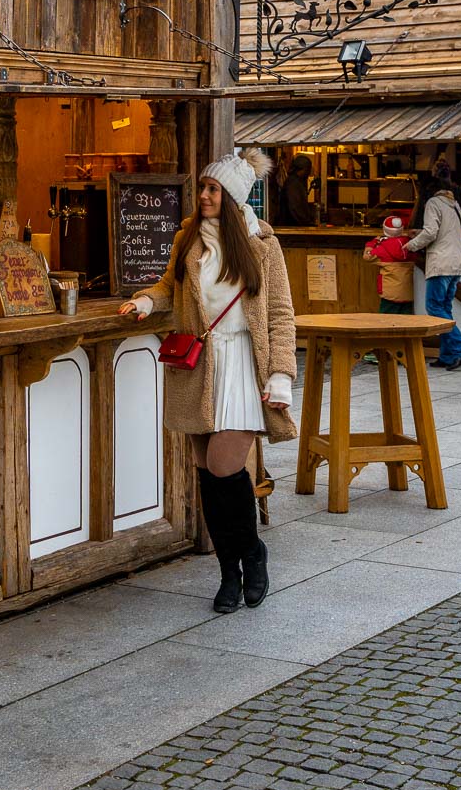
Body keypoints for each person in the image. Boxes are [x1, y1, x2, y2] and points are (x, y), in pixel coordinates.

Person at [120, 149, 296, 614]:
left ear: (234, 197)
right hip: (199, 368)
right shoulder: (188, 239)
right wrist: (144, 303)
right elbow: (166, 286)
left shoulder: (262, 245)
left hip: (242, 362)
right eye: (203, 188)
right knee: (207, 475)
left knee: (224, 468)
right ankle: (228, 573)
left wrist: (280, 372)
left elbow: (280, 313)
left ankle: (253, 554)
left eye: (213, 189)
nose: (203, 195)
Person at [405, 175, 461, 369]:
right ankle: (448, 355)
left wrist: (411, 245)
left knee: (434, 308)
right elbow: (444, 232)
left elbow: (431, 232)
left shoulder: (433, 203)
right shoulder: (455, 205)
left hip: (441, 263)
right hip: (456, 262)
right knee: (444, 309)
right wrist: (421, 234)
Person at [364, 213, 414, 314]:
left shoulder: (382, 249)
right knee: (407, 322)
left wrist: (371, 244)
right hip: (409, 294)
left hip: (389, 295)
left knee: (386, 322)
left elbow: (367, 257)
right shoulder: (411, 245)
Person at [275, 153, 315, 226]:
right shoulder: (293, 183)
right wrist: (306, 223)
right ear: (303, 169)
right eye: (308, 169)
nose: (309, 173)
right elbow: (295, 208)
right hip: (291, 225)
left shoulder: (297, 182)